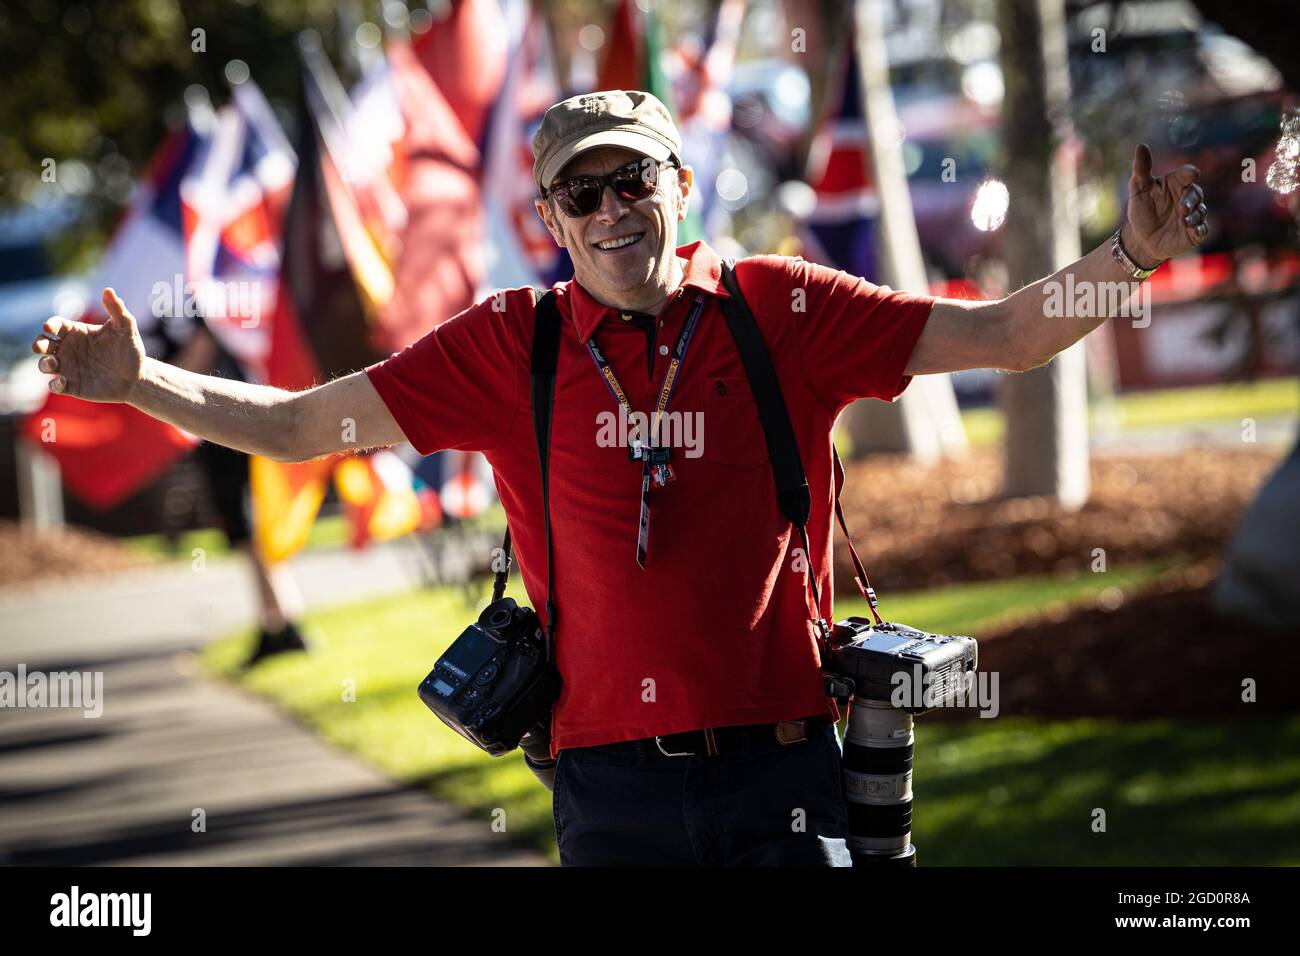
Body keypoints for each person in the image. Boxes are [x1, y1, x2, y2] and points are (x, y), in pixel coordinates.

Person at [32, 90, 1209, 866]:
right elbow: (297, 428)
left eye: (630, 182)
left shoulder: (779, 306)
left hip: (784, 767)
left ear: (679, 186)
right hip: (608, 790)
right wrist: (140, 385)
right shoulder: (510, 343)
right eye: (579, 194)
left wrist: (1130, 260)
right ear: (549, 215)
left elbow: (1000, 335)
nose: (610, 212)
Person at [167, 319, 311, 667]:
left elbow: (197, 357)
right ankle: (279, 619)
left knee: (249, 531)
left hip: (228, 428)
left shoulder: (208, 295)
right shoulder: (219, 291)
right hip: (239, 422)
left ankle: (281, 625)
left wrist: (155, 383)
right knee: (252, 531)